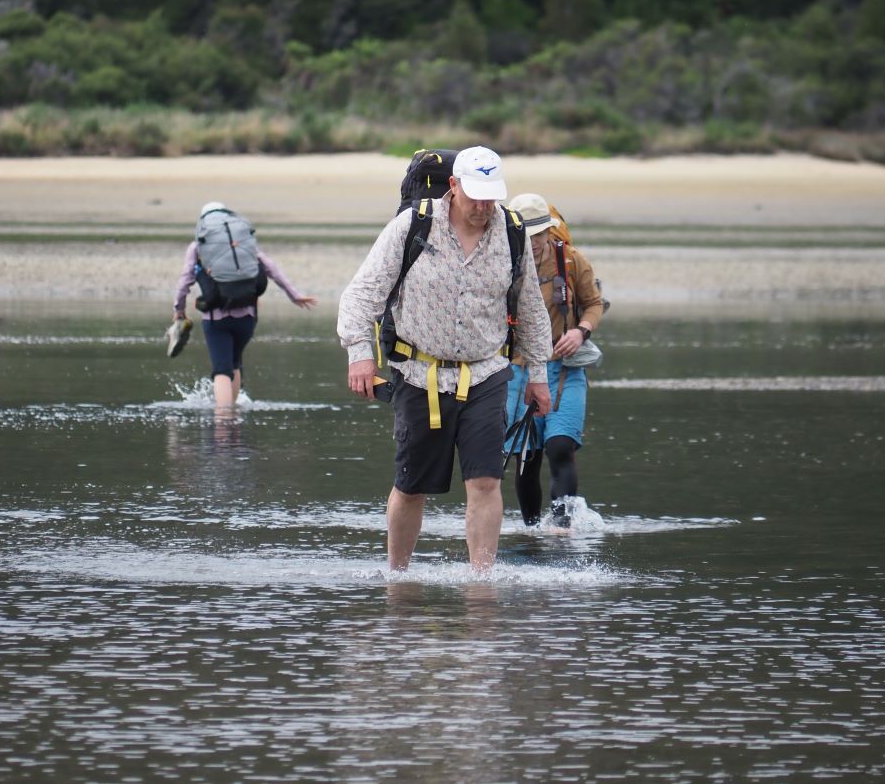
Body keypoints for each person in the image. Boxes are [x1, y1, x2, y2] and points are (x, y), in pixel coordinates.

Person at [337, 146, 553, 572]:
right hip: (418, 374)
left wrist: (539, 374)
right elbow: (361, 295)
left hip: (486, 373)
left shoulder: (511, 232)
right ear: (453, 187)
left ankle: (482, 580)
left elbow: (530, 307)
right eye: (475, 196)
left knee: (487, 481)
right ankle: (398, 577)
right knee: (411, 486)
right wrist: (359, 356)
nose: (483, 206)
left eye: (491, 196)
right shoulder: (413, 225)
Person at [502, 192, 605, 531]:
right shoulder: (500, 261)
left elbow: (594, 303)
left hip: (565, 369)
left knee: (560, 446)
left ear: (550, 231)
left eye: (539, 234)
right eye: (526, 234)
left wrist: (581, 332)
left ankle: (561, 526)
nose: (533, 242)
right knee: (527, 458)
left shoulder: (571, 260)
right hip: (517, 371)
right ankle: (532, 530)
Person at [173, 201, 317, 407]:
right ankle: (233, 418)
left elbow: (185, 279)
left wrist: (178, 310)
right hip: (248, 319)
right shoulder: (243, 243)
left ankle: (223, 420)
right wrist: (294, 296)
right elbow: (271, 268)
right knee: (235, 363)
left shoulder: (198, 246)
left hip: (216, 319)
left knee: (221, 369)